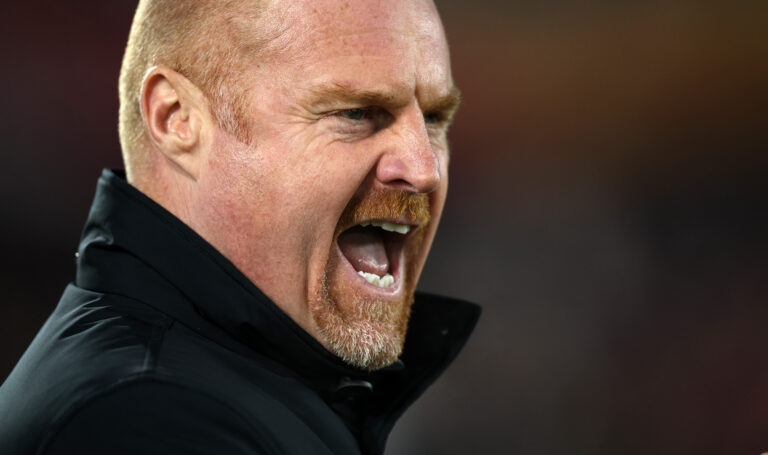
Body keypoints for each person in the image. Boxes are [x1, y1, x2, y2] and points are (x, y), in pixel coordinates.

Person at [0, 0, 480, 453]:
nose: (424, 170)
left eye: (435, 117)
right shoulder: (145, 421)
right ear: (176, 119)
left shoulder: (217, 391)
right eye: (355, 113)